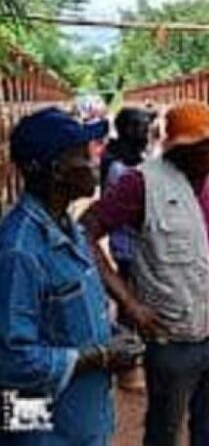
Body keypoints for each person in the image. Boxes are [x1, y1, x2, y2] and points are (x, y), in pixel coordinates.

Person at [80, 101, 209, 446]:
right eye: (207, 148)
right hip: (173, 339)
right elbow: (85, 232)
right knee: (165, 430)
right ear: (180, 148)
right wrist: (129, 303)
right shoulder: (141, 184)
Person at [0, 107, 142, 446]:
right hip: (44, 428)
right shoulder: (19, 252)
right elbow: (11, 361)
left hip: (82, 417)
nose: (96, 161)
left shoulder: (70, 229)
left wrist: (109, 335)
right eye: (82, 155)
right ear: (53, 170)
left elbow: (64, 317)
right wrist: (101, 356)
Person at [100, 107, 155, 393]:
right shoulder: (119, 167)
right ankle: (127, 369)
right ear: (125, 129)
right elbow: (133, 211)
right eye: (141, 127)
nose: (146, 133)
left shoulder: (131, 158)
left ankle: (135, 360)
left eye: (147, 126)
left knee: (134, 299)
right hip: (130, 246)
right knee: (129, 302)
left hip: (138, 245)